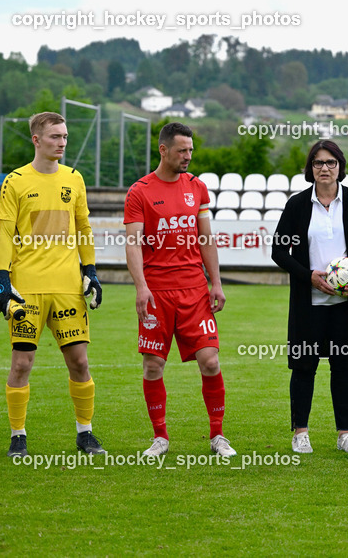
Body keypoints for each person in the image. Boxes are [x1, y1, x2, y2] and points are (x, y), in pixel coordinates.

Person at [0, 112, 105, 458]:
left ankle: (85, 434)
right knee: (21, 364)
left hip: (67, 287)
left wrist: (91, 270)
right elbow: (7, 233)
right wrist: (1, 278)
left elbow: (84, 228)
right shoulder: (15, 181)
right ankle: (18, 436)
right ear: (36, 140)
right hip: (27, 287)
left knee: (80, 363)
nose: (62, 143)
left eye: (66, 137)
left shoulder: (75, 179)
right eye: (55, 137)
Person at [124, 122, 234, 458]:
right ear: (164, 150)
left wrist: (215, 282)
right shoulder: (139, 191)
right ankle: (160, 437)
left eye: (190, 150)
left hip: (194, 291)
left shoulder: (197, 188)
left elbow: (206, 239)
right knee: (153, 365)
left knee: (210, 361)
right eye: (182, 150)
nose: (187, 156)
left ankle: (218, 436)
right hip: (157, 292)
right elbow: (132, 243)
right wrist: (141, 287)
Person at [271, 140, 348, 455]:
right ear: (310, 168)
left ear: (340, 167)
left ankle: (345, 434)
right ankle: (300, 432)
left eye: (331, 162)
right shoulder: (298, 205)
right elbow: (279, 251)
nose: (324, 168)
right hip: (310, 302)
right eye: (318, 163)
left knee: (343, 367)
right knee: (304, 367)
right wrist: (310, 277)